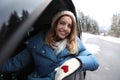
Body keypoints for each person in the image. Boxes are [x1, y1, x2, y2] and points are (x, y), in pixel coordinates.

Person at [0, 10, 99, 80]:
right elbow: (17, 62)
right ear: (55, 24)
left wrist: (77, 61)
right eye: (62, 23)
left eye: (69, 26)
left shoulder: (75, 43)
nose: (65, 28)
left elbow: (94, 62)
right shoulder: (37, 42)